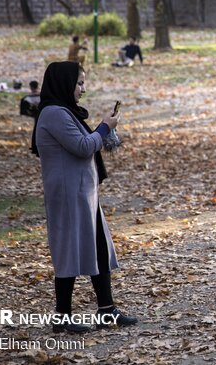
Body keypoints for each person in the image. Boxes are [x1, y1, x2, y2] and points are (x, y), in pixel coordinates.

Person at [31, 61, 137, 333]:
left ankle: (106, 310)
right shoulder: (54, 113)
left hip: (83, 193)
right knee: (69, 250)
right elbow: (82, 146)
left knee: (98, 248)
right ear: (64, 83)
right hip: (68, 195)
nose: (82, 89)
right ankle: (62, 317)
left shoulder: (66, 112)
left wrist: (106, 130)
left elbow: (88, 143)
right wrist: (103, 127)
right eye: (79, 83)